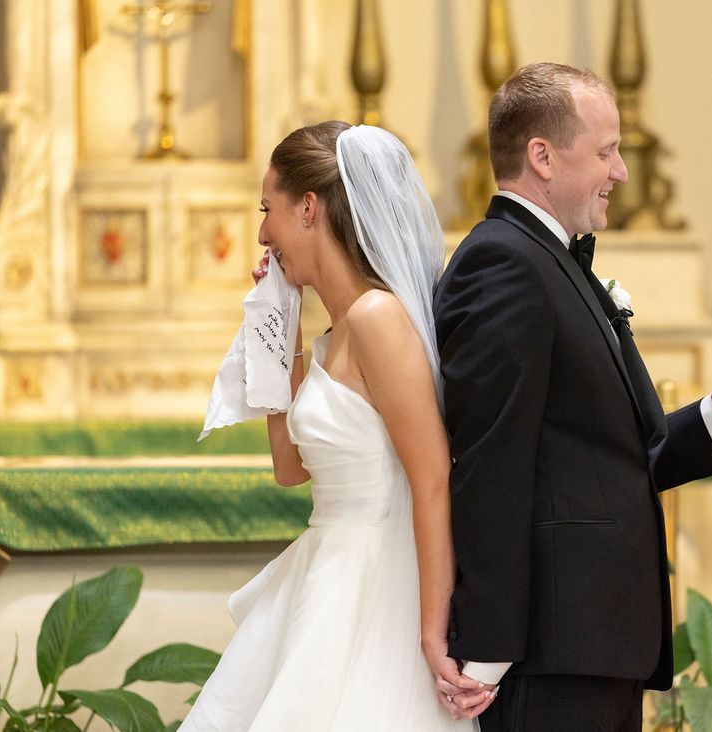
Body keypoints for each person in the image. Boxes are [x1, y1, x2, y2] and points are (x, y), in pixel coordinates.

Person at [432, 63, 712, 732]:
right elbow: (490, 465)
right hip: (548, 650)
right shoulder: (503, 263)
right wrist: (487, 649)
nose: (621, 172)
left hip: (591, 642)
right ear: (542, 156)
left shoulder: (548, 258)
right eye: (606, 152)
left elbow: (603, 458)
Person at [181, 122, 492, 730]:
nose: (262, 234)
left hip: (377, 586)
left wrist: (432, 631)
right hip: (324, 576)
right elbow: (288, 467)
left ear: (308, 208)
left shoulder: (377, 318)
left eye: (267, 210)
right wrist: (281, 328)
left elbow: (432, 479)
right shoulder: (333, 335)